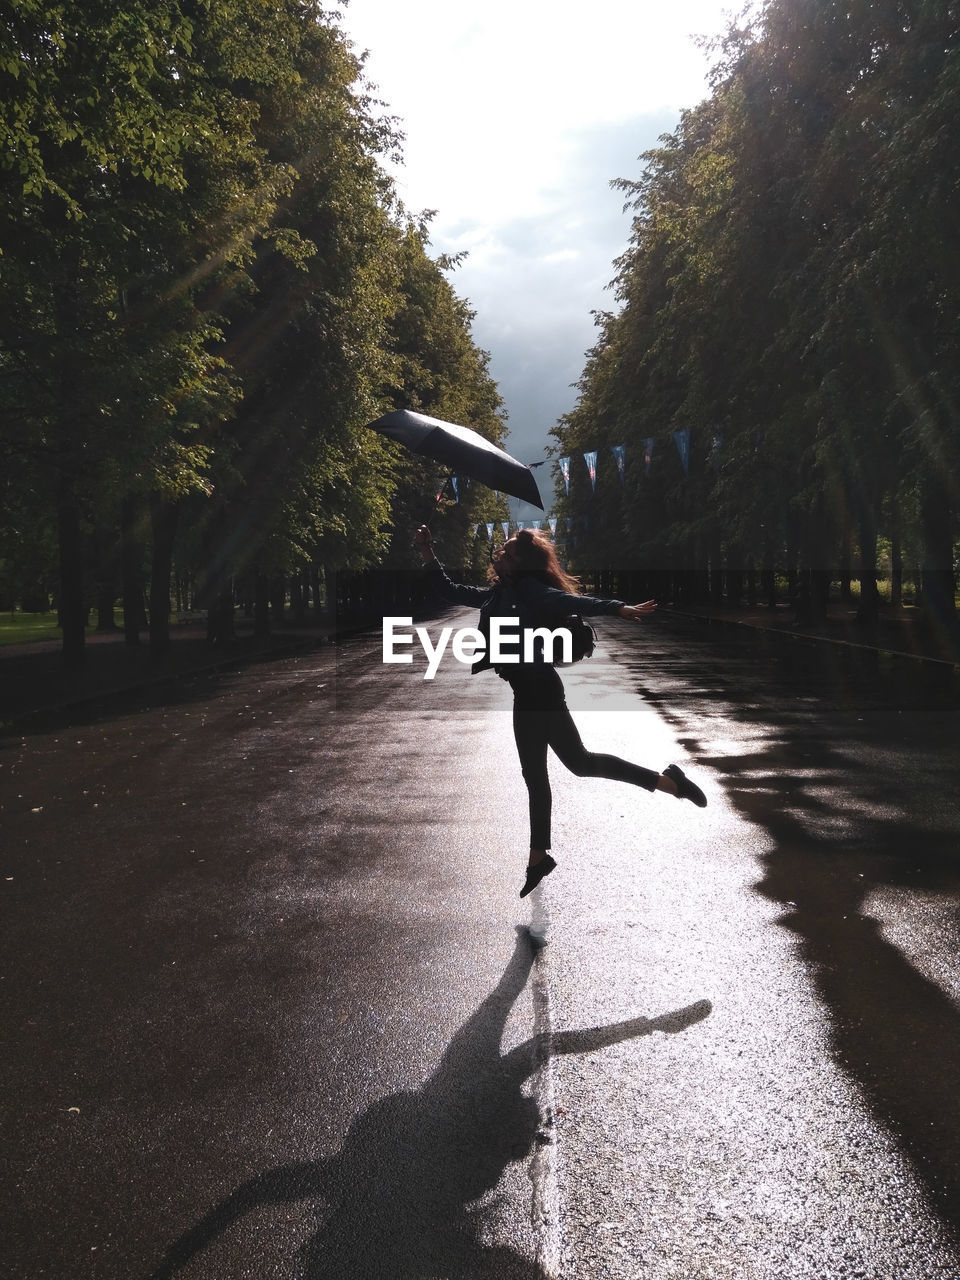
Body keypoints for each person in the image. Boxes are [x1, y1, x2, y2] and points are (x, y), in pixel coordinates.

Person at [413, 525, 707, 897]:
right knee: (556, 771)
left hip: (542, 694)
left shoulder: (532, 591)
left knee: (572, 767)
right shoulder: (498, 594)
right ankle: (541, 856)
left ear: (520, 562)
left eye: (506, 551)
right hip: (527, 695)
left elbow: (574, 602)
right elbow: (449, 590)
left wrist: (619, 608)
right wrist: (427, 552)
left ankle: (670, 784)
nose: (498, 554)